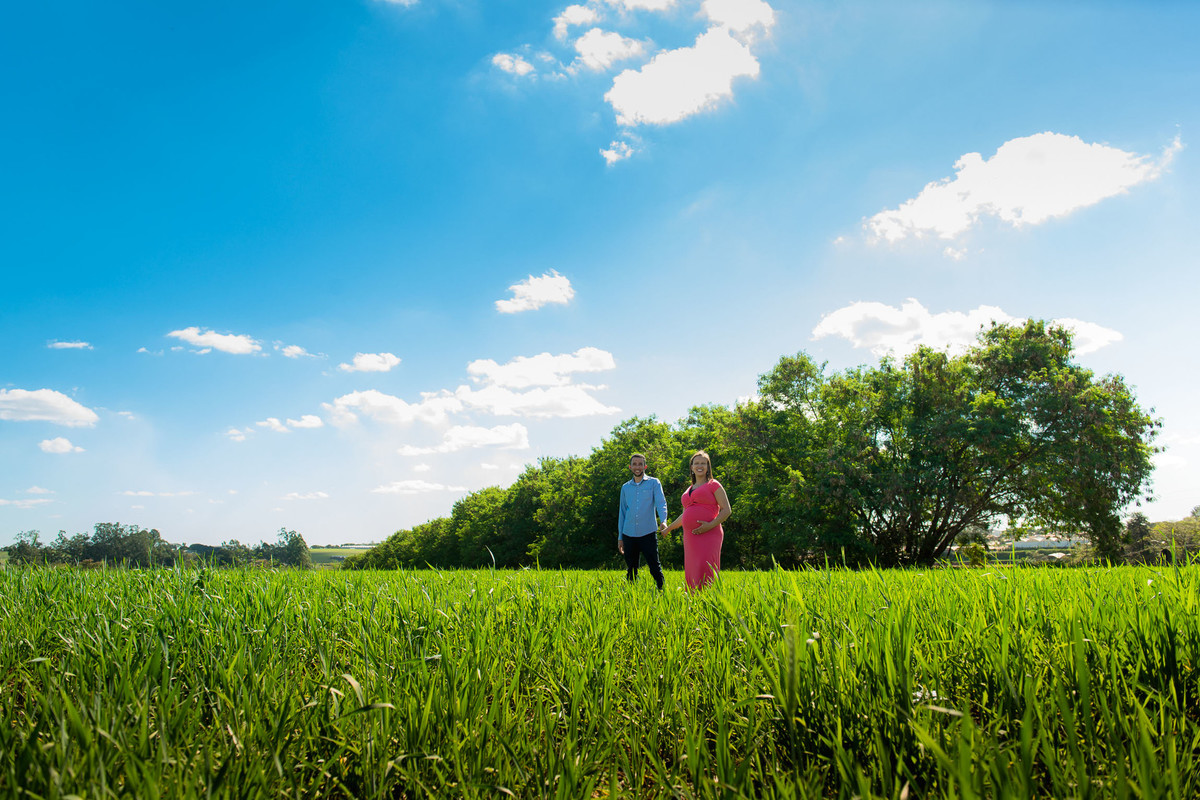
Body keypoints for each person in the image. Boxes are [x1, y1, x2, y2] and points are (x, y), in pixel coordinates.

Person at [661, 450, 731, 590]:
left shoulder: (713, 484)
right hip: (690, 537)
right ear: (692, 467)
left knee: (706, 567)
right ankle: (693, 601)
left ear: (708, 467)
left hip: (710, 533)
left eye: (703, 463)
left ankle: (709, 600)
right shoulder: (689, 489)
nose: (700, 466)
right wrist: (669, 528)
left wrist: (710, 525)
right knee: (693, 567)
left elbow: (727, 510)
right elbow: (685, 515)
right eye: (697, 463)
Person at [617, 453, 669, 590]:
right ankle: (631, 596)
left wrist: (663, 521)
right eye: (634, 464)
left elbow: (661, 503)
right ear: (630, 467)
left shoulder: (654, 483)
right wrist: (620, 537)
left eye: (640, 464)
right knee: (631, 569)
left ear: (645, 466)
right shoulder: (625, 488)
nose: (637, 467)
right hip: (628, 534)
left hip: (648, 533)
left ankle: (663, 592)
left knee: (654, 567)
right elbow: (622, 513)